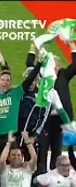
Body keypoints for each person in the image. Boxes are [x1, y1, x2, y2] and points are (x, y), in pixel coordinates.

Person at [26, 41, 76, 171]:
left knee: (57, 152)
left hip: (60, 122)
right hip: (44, 121)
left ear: (59, 66)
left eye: (54, 64)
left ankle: (57, 180)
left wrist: (72, 47)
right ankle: (41, 183)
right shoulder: (43, 78)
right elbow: (29, 66)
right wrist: (32, 49)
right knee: (42, 152)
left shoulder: (63, 76)